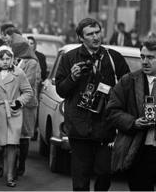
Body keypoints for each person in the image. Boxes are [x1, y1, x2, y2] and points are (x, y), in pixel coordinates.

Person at [55, 18, 130, 190]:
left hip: (106, 127)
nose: (95, 37)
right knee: (80, 178)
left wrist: (113, 94)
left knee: (105, 172)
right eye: (90, 34)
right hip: (79, 128)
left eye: (97, 32)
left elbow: (127, 88)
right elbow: (61, 90)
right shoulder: (69, 58)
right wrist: (72, 78)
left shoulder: (113, 58)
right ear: (81, 38)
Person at [106, 37, 156, 190]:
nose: (145, 61)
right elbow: (112, 111)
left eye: (151, 57)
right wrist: (133, 122)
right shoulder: (128, 81)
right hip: (138, 149)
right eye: (142, 57)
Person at [0, 46, 33, 188]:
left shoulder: (19, 73)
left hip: (13, 111)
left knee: (12, 144)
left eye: (8, 58)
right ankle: (0, 160)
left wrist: (19, 102)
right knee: (0, 145)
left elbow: (28, 91)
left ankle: (10, 176)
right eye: (2, 59)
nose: (5, 62)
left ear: (12, 59)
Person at [9, 33, 41, 177]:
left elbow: (27, 82)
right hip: (14, 102)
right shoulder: (13, 60)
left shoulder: (32, 63)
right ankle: (13, 164)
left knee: (24, 135)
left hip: (27, 104)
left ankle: (21, 164)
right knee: (14, 135)